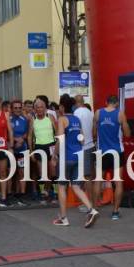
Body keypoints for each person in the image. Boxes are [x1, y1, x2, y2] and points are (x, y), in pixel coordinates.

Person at [52, 94, 99, 228]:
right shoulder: (77, 120)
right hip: (79, 156)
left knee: (62, 187)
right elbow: (82, 139)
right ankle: (91, 209)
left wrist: (54, 155)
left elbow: (60, 139)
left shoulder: (62, 119)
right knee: (76, 186)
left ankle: (63, 218)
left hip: (66, 157)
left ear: (62, 107)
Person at [93, 95, 130, 221]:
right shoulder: (120, 114)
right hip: (117, 151)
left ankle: (94, 209)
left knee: (98, 180)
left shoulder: (98, 113)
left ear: (106, 102)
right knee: (118, 182)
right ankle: (115, 212)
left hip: (102, 151)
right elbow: (127, 134)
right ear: (117, 104)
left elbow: (94, 133)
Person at [31, 97, 58, 204]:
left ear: (45, 108)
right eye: (37, 107)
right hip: (39, 147)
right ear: (35, 109)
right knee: (42, 173)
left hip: (51, 146)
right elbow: (29, 136)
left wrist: (57, 148)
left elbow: (57, 133)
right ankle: (45, 193)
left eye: (41, 107)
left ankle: (53, 193)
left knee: (52, 171)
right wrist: (31, 151)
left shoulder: (50, 117)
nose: (39, 109)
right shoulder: (33, 119)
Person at [72, 95, 95, 210]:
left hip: (83, 147)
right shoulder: (90, 113)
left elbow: (76, 131)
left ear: (75, 102)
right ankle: (89, 202)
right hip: (91, 146)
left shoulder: (76, 113)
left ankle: (89, 204)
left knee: (86, 177)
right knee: (88, 176)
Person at [9, 99, 31, 206]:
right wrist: (14, 140)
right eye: (15, 108)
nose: (18, 110)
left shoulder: (25, 119)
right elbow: (6, 133)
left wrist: (22, 139)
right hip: (11, 149)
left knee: (22, 172)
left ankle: (22, 195)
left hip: (22, 149)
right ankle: (10, 195)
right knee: (11, 173)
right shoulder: (8, 119)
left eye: (19, 108)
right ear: (12, 109)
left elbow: (27, 133)